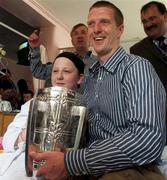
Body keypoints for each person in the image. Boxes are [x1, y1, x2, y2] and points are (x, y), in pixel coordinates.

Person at [28, 1, 166, 180]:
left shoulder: (136, 67)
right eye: (91, 24)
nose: (96, 29)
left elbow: (146, 140)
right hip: (88, 165)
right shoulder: (88, 76)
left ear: (120, 29)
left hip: (130, 167)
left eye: (104, 22)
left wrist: (71, 162)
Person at [3, 51, 84, 153]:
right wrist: (30, 131)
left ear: (80, 78)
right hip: (23, 161)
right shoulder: (33, 103)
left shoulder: (86, 108)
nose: (59, 77)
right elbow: (7, 141)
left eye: (66, 71)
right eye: (55, 71)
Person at [28, 23, 96, 84]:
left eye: (83, 32)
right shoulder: (64, 61)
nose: (79, 36)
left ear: (90, 38)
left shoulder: (99, 62)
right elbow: (38, 72)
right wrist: (35, 49)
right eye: (76, 34)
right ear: (72, 41)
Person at [130, 1, 167, 95]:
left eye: (152, 19)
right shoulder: (137, 50)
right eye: (144, 22)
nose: (148, 25)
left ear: (165, 16)